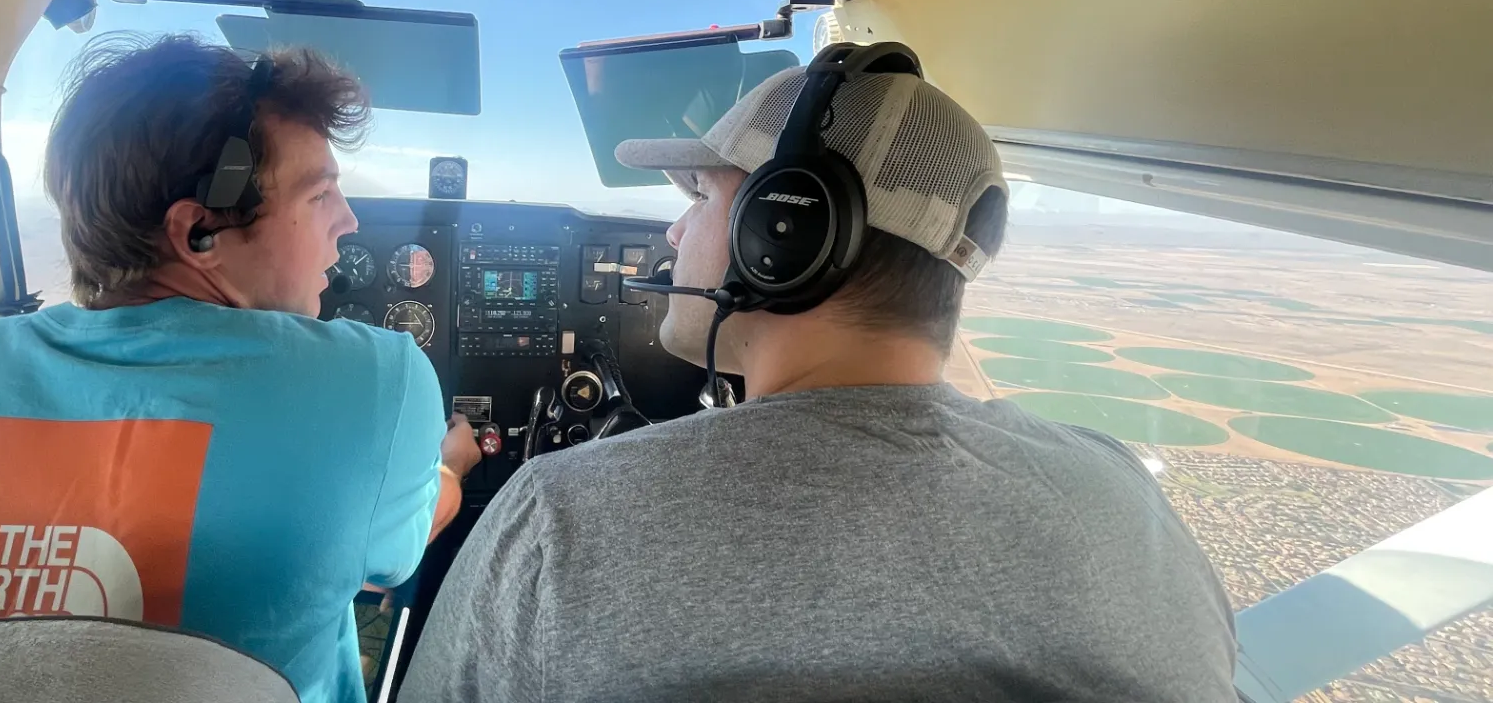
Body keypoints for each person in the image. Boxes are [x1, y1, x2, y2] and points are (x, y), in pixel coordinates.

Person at [401, 48, 1237, 703]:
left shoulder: (561, 519)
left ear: (785, 228)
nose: (671, 236)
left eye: (700, 193)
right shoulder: (1123, 492)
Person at [0, 35, 483, 703]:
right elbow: (396, 554)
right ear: (198, 232)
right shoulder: (370, 383)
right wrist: (451, 467)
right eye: (319, 195)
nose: (349, 221)